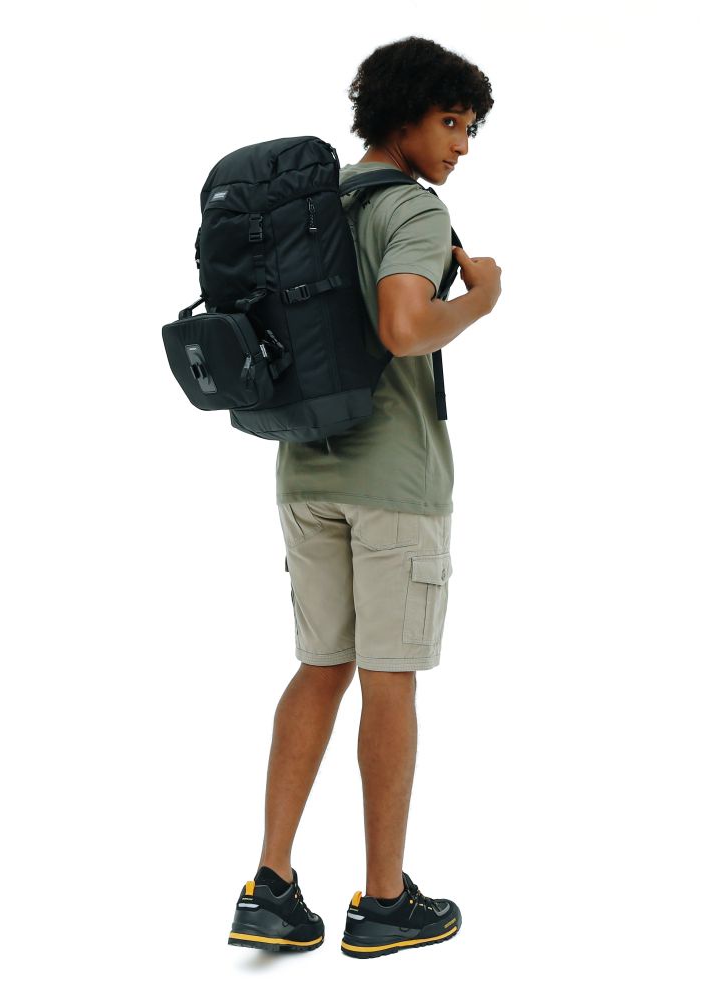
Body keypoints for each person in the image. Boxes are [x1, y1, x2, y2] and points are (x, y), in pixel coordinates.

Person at [227, 36, 501, 959]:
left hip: (305, 471)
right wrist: (482, 298)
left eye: (471, 128)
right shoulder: (413, 209)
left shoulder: (316, 206)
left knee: (321, 667)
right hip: (393, 484)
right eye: (450, 121)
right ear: (403, 116)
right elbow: (404, 326)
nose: (461, 144)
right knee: (389, 678)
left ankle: (270, 886)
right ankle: (384, 902)